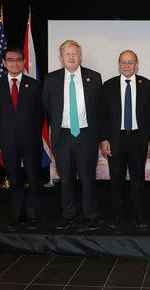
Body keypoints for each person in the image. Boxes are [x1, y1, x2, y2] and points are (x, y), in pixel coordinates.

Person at [42, 40, 102, 231]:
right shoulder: (51, 79)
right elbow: (47, 106)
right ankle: (67, 215)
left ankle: (90, 215)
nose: (71, 57)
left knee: (87, 177)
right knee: (66, 178)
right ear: (61, 58)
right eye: (67, 54)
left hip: (86, 135)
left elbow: (100, 108)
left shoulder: (94, 77)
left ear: (80, 57)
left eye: (74, 53)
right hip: (63, 136)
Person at [100, 50, 150, 229]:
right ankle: (117, 216)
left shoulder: (146, 85)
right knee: (116, 180)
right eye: (123, 62)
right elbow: (103, 116)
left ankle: (138, 215)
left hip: (138, 139)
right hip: (115, 140)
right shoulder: (108, 85)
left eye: (130, 62)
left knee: (138, 180)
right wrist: (104, 139)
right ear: (118, 64)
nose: (127, 65)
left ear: (136, 64)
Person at [0, 47, 43, 231]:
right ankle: (17, 215)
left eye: (18, 59)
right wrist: (9, 130)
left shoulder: (34, 85)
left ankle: (33, 215)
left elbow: (40, 114)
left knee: (33, 179)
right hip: (9, 141)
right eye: (10, 60)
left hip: (30, 140)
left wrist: (29, 132)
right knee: (14, 179)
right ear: (4, 63)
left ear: (23, 62)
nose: (14, 63)